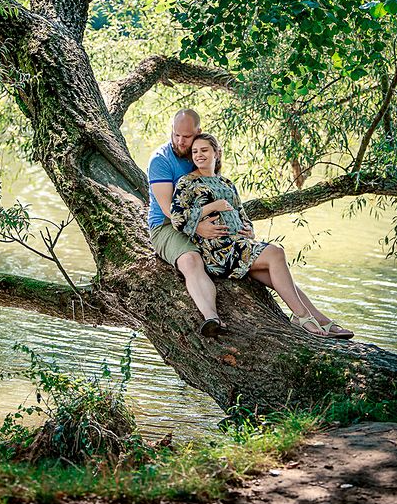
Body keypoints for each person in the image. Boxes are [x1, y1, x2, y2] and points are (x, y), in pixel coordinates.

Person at [170, 132, 354, 340]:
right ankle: (302, 316)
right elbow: (177, 219)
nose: (199, 155)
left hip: (239, 246)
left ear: (217, 153)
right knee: (276, 253)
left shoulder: (227, 183)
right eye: (195, 152)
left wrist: (249, 229)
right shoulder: (188, 183)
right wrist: (210, 207)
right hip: (218, 253)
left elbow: (241, 214)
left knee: (282, 280)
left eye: (204, 150)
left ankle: (319, 318)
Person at [148, 109, 230, 336]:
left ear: (198, 132)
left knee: (256, 256)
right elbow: (168, 211)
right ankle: (212, 318)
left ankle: (309, 318)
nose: (180, 141)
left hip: (202, 219)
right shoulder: (161, 160)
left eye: (186, 136)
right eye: (176, 135)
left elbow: (217, 191)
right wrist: (198, 227)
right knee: (191, 261)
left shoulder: (201, 152)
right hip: (166, 226)